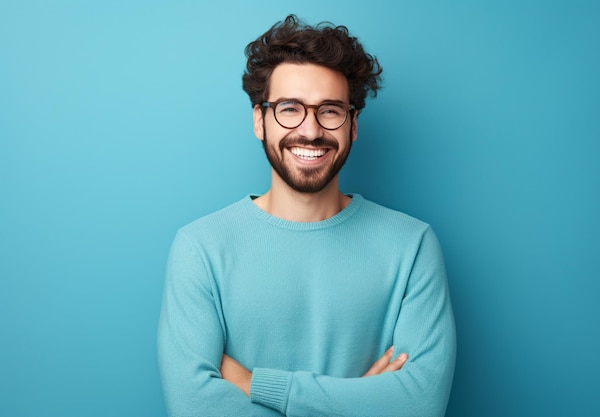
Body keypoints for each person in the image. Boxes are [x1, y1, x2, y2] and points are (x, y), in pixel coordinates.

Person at [157, 14, 456, 417]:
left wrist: (255, 384)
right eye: (289, 108)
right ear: (259, 121)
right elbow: (193, 407)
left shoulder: (411, 245)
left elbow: (419, 404)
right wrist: (358, 405)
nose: (311, 131)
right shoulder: (200, 248)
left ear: (353, 125)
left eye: (330, 111)